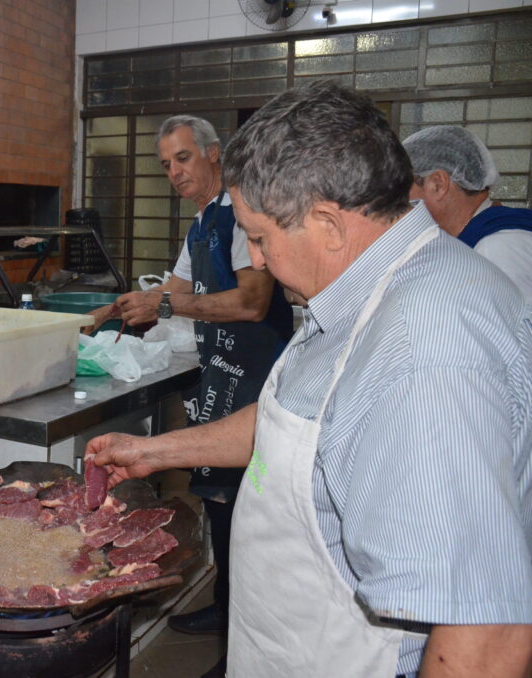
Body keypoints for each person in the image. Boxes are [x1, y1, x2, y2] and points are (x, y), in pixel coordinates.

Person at [87, 81, 532, 677]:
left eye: (263, 238)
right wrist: (152, 451)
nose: (260, 260)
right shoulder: (363, 292)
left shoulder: (424, 346)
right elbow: (297, 420)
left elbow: (486, 634)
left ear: (327, 222)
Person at [92, 115, 293, 668]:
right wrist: (107, 311)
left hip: (252, 375)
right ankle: (225, 608)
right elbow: (175, 287)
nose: (173, 172)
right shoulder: (201, 222)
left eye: (182, 158)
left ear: (213, 156)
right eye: (165, 164)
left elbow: (251, 301)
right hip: (219, 373)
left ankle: (243, 643)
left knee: (247, 509)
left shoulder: (238, 214)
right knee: (220, 506)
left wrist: (163, 306)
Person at [403, 125, 532, 299]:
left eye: (402, 189)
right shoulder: (479, 237)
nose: (399, 203)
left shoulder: (494, 250)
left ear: (438, 184)